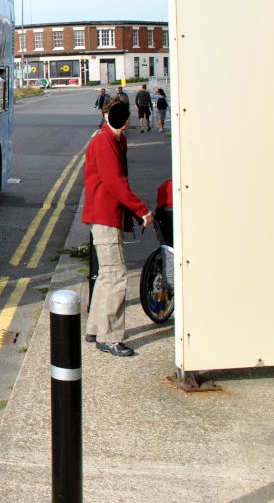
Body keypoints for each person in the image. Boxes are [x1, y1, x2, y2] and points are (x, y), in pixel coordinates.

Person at [82, 97, 153, 357]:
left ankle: (95, 329)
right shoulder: (104, 142)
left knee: (106, 275)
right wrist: (142, 210)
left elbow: (118, 182)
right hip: (104, 216)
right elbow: (115, 182)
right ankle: (109, 337)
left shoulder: (114, 141)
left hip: (105, 215)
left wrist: (136, 211)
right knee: (117, 275)